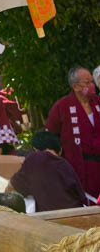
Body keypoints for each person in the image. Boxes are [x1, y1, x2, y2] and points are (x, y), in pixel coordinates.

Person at [46, 66, 100, 200]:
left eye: (92, 82)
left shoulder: (98, 102)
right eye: (87, 83)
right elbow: (50, 137)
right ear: (75, 87)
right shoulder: (62, 107)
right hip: (78, 166)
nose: (92, 86)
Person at [8, 129, 88, 212]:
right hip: (75, 214)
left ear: (35, 149)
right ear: (60, 150)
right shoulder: (65, 163)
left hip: (50, 217)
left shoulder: (35, 158)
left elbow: (12, 185)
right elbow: (80, 196)